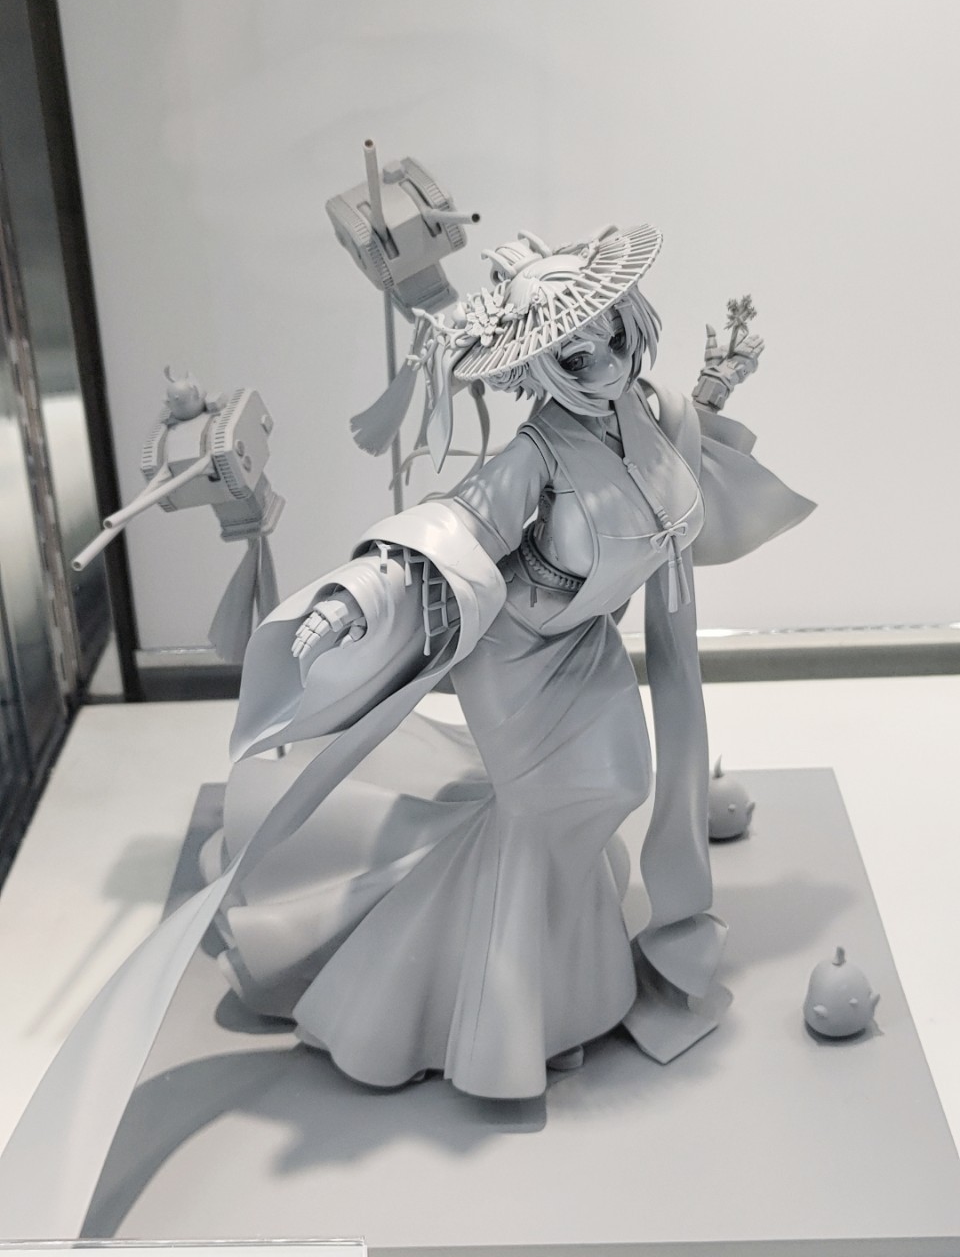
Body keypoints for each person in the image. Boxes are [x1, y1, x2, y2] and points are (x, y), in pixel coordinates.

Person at [203, 223, 815, 1100]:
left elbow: (678, 461)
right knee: (542, 816)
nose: (605, 362)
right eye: (577, 355)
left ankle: (557, 972)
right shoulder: (538, 452)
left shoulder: (649, 411)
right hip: (516, 654)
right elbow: (453, 523)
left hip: (584, 642)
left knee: (619, 785)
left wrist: (719, 379)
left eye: (614, 336)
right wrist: (355, 596)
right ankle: (504, 1016)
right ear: (540, 368)